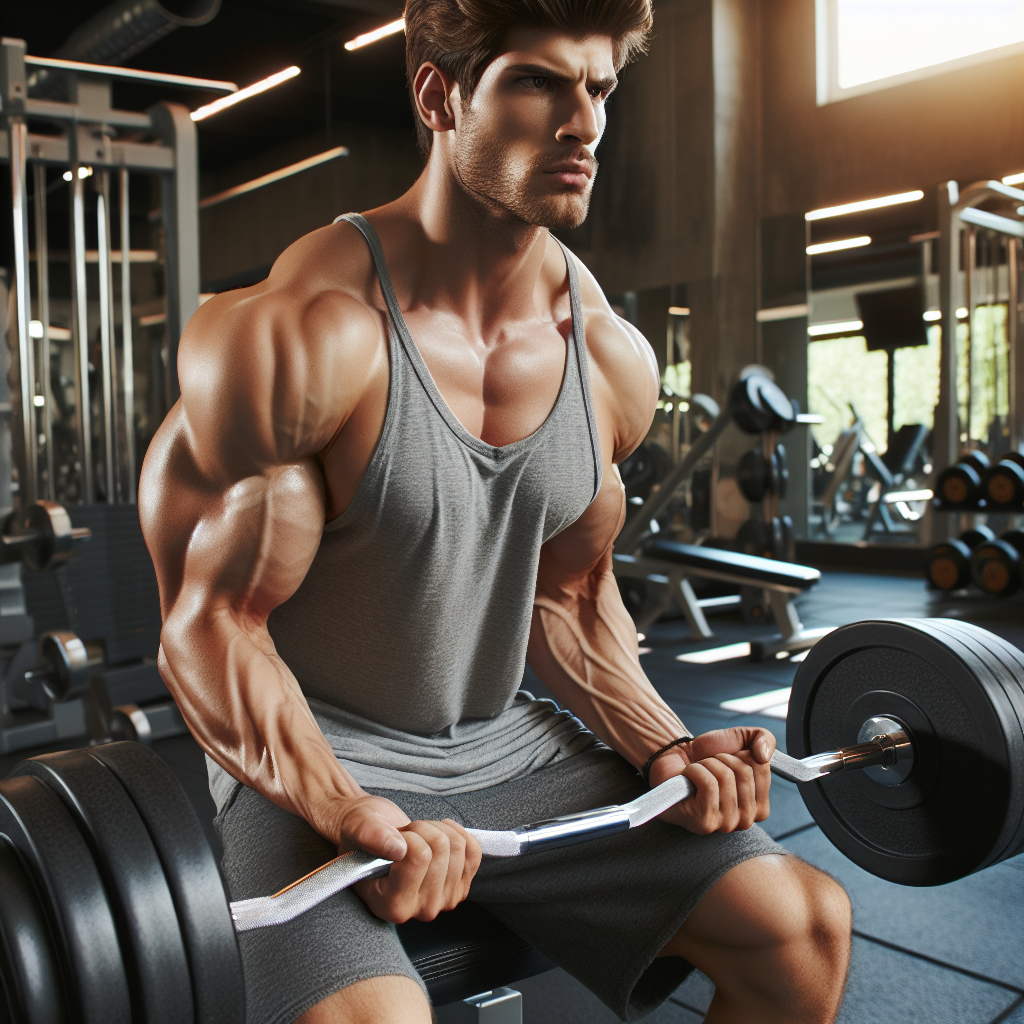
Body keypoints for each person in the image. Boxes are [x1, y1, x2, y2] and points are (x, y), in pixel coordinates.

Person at [140, 1, 852, 1021]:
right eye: (537, 83)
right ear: (439, 95)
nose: (585, 123)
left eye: (599, 88)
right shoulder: (308, 340)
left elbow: (568, 596)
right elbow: (210, 622)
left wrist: (662, 741)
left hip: (509, 747)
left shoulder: (607, 358)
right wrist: (347, 809)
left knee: (804, 927)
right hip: (317, 766)